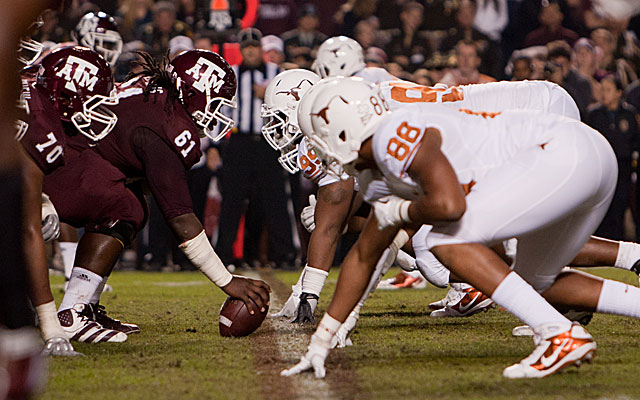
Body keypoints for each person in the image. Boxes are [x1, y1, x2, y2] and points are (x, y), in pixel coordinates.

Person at [282, 76, 640, 379]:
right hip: (581, 155)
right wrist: (323, 338)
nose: (315, 150)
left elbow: (449, 206)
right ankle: (582, 322)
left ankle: (559, 334)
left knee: (445, 241)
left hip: (561, 152)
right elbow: (364, 256)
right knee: (538, 282)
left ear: (339, 128)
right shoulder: (377, 168)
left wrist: (400, 211)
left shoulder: (392, 134)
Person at [43, 49, 270, 342]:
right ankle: (73, 314)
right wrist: (228, 282)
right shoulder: (167, 125)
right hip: (59, 166)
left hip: (63, 157)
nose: (216, 114)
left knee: (132, 202)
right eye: (215, 101)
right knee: (125, 205)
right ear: (194, 93)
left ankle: (85, 306)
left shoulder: (155, 97)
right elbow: (181, 220)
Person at [214, 28, 297, 270]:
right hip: (239, 142)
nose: (250, 51)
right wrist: (217, 146)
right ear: (241, 51)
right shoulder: (232, 76)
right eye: (246, 47)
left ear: (260, 48)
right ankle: (223, 256)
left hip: (269, 143)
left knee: (276, 200)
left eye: (254, 46)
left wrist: (268, 97)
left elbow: (292, 108)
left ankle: (285, 255)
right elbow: (222, 113)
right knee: (231, 200)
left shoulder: (277, 75)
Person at [585, 76, 639, 240]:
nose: (603, 94)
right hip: (601, 170)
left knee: (620, 209)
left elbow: (635, 141)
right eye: (602, 89)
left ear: (618, 93)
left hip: (624, 170)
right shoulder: (594, 115)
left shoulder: (629, 115)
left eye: (608, 90)